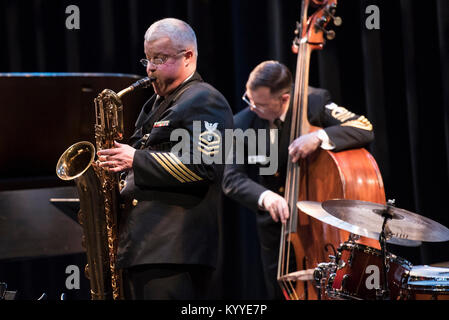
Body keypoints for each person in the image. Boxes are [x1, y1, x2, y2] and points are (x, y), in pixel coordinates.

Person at [97, 18, 233, 300]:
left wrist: (135, 159)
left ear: (188, 57)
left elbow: (203, 166)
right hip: (142, 247)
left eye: (159, 58)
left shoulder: (205, 99)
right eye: (147, 59)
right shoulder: (154, 104)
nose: (150, 68)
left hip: (174, 251)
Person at [222, 60, 374, 299]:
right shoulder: (242, 123)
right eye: (248, 99)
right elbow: (231, 179)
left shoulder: (314, 102)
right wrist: (265, 196)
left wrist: (320, 136)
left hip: (319, 228)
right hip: (277, 232)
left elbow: (363, 127)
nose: (251, 107)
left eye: (259, 103)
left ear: (284, 99)